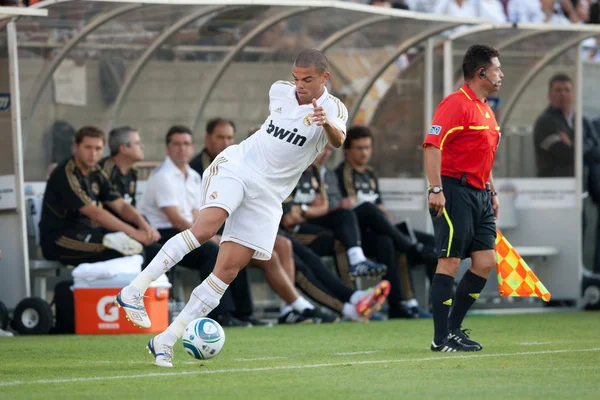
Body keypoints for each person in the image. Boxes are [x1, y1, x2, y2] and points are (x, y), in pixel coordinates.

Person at [116, 49, 348, 367]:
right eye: (296, 78)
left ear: (325, 77)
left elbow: (337, 140)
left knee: (227, 271)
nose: (300, 85)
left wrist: (326, 125)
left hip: (268, 196)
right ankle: (134, 289)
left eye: (307, 79)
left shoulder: (334, 110)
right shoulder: (280, 90)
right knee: (205, 229)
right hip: (238, 167)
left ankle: (166, 339)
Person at [423, 44, 503, 352]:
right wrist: (435, 188)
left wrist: (492, 191)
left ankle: (453, 329)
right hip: (454, 191)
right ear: (481, 72)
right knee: (450, 261)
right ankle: (440, 338)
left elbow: (484, 154)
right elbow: (432, 145)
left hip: (480, 194)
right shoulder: (456, 104)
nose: (501, 74)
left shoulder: (485, 107)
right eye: (497, 68)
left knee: (485, 262)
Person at [333, 129, 435, 318]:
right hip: (358, 231)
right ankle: (410, 246)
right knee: (370, 211)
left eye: (367, 148)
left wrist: (385, 216)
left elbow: (379, 204)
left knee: (430, 243)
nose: (364, 152)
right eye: (359, 148)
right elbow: (352, 205)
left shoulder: (370, 174)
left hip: (379, 228)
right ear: (347, 151)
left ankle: (429, 303)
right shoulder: (343, 172)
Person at [39, 126, 160, 265]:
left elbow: (120, 205)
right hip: (60, 239)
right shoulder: (66, 173)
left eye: (98, 149)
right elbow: (95, 213)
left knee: (154, 252)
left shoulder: (96, 171)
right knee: (126, 250)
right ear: (76, 147)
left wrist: (145, 227)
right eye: (88, 148)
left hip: (89, 233)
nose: (93, 154)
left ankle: (155, 287)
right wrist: (134, 233)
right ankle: (68, 288)